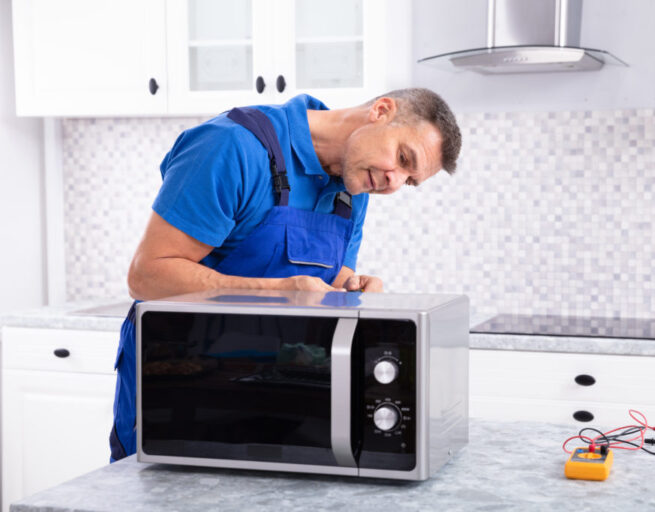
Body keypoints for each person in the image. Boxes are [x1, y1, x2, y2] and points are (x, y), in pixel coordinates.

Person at [109, 88, 462, 461]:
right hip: (178, 392)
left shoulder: (353, 186)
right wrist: (277, 290)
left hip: (274, 400)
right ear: (381, 111)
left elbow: (325, 278)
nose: (394, 181)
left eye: (408, 180)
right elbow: (147, 276)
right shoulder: (231, 148)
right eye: (403, 158)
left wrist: (350, 289)